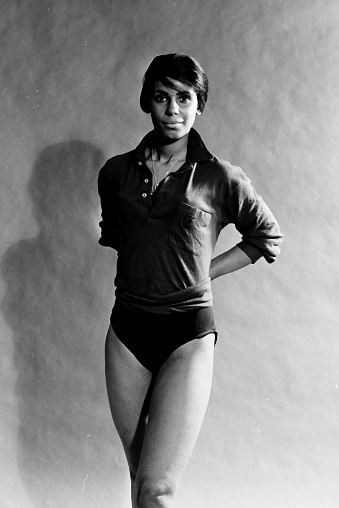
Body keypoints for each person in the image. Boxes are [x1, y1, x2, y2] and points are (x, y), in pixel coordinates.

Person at [98, 53, 283, 508]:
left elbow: (267, 237)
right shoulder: (115, 174)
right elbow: (121, 238)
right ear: (147, 102)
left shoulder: (221, 177)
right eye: (162, 96)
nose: (173, 108)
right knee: (139, 477)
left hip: (187, 334)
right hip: (126, 334)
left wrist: (205, 273)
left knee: (158, 490)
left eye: (185, 97)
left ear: (199, 103)